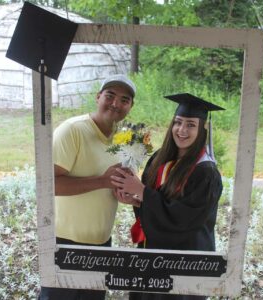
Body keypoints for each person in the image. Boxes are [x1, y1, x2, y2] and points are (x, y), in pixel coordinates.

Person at [111, 93, 224, 300]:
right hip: (153, 253)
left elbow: (184, 220)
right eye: (178, 122)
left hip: (185, 261)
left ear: (202, 130)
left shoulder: (206, 172)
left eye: (191, 125)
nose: (182, 130)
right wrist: (136, 200)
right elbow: (155, 201)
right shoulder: (159, 158)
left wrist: (143, 192)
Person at [38, 74, 136, 300]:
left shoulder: (124, 139)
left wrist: (125, 192)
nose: (116, 103)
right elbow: (48, 185)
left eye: (124, 99)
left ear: (130, 106)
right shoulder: (72, 130)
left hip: (102, 244)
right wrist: (102, 180)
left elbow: (116, 184)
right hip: (65, 244)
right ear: (98, 97)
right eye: (110, 96)